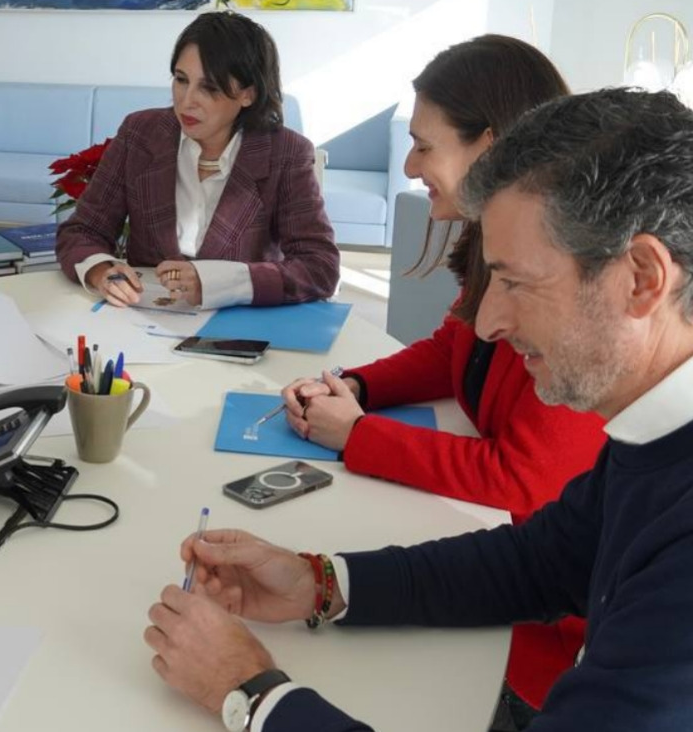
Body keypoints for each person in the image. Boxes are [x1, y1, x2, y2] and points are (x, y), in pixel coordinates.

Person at [146, 88, 693, 731]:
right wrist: (318, 582)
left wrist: (250, 694)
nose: (488, 321)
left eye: (515, 283)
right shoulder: (654, 433)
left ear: (642, 279)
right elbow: (538, 562)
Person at [279, 36, 603, 718]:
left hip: (533, 655)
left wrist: (359, 437)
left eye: (425, 145)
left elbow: (526, 485)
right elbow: (451, 346)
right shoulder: (504, 254)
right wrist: (357, 388)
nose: (409, 163)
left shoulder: (571, 307)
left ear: (489, 145)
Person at [54, 11, 338, 311]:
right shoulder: (139, 133)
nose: (187, 100)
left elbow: (320, 266)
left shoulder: (287, 153)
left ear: (248, 94)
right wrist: (102, 271)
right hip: (141, 323)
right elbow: (82, 231)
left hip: (239, 329)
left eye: (209, 87)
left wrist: (220, 282)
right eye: (181, 80)